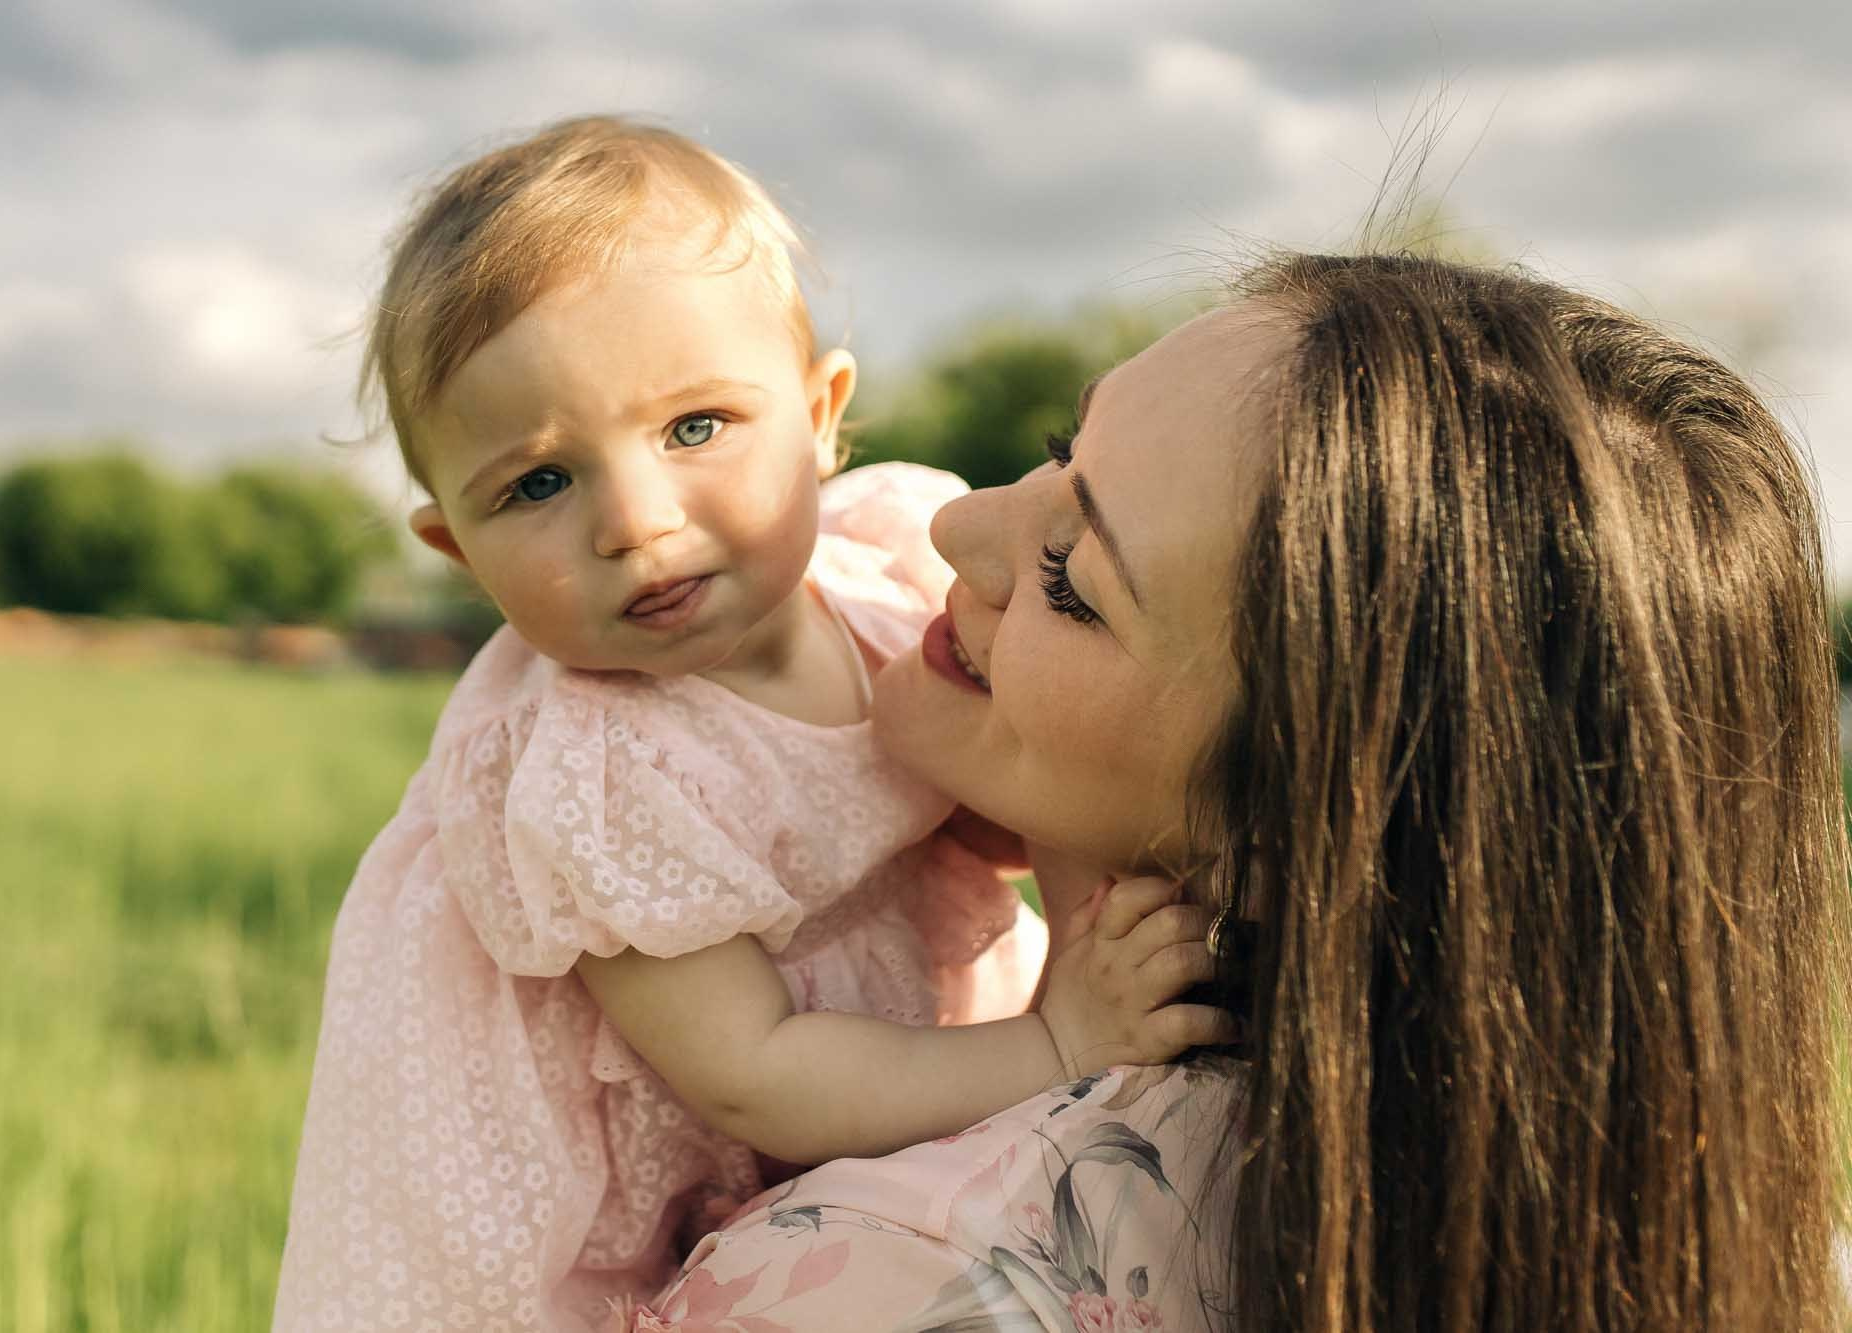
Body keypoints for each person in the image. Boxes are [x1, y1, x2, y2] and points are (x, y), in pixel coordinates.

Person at [624, 253, 1850, 1331]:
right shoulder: (1754, 1250)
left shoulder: (886, 1280)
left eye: (1069, 577)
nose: (957, 527)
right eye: (1062, 451)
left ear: (1299, 835)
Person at [271, 117, 1233, 1333]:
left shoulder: (882, 572)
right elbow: (755, 1076)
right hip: (680, 1192)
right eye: (539, 483)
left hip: (888, 1101)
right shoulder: (601, 767)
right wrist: (1055, 1041)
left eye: (693, 428)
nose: (635, 520)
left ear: (821, 414)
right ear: (459, 550)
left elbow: (997, 810)